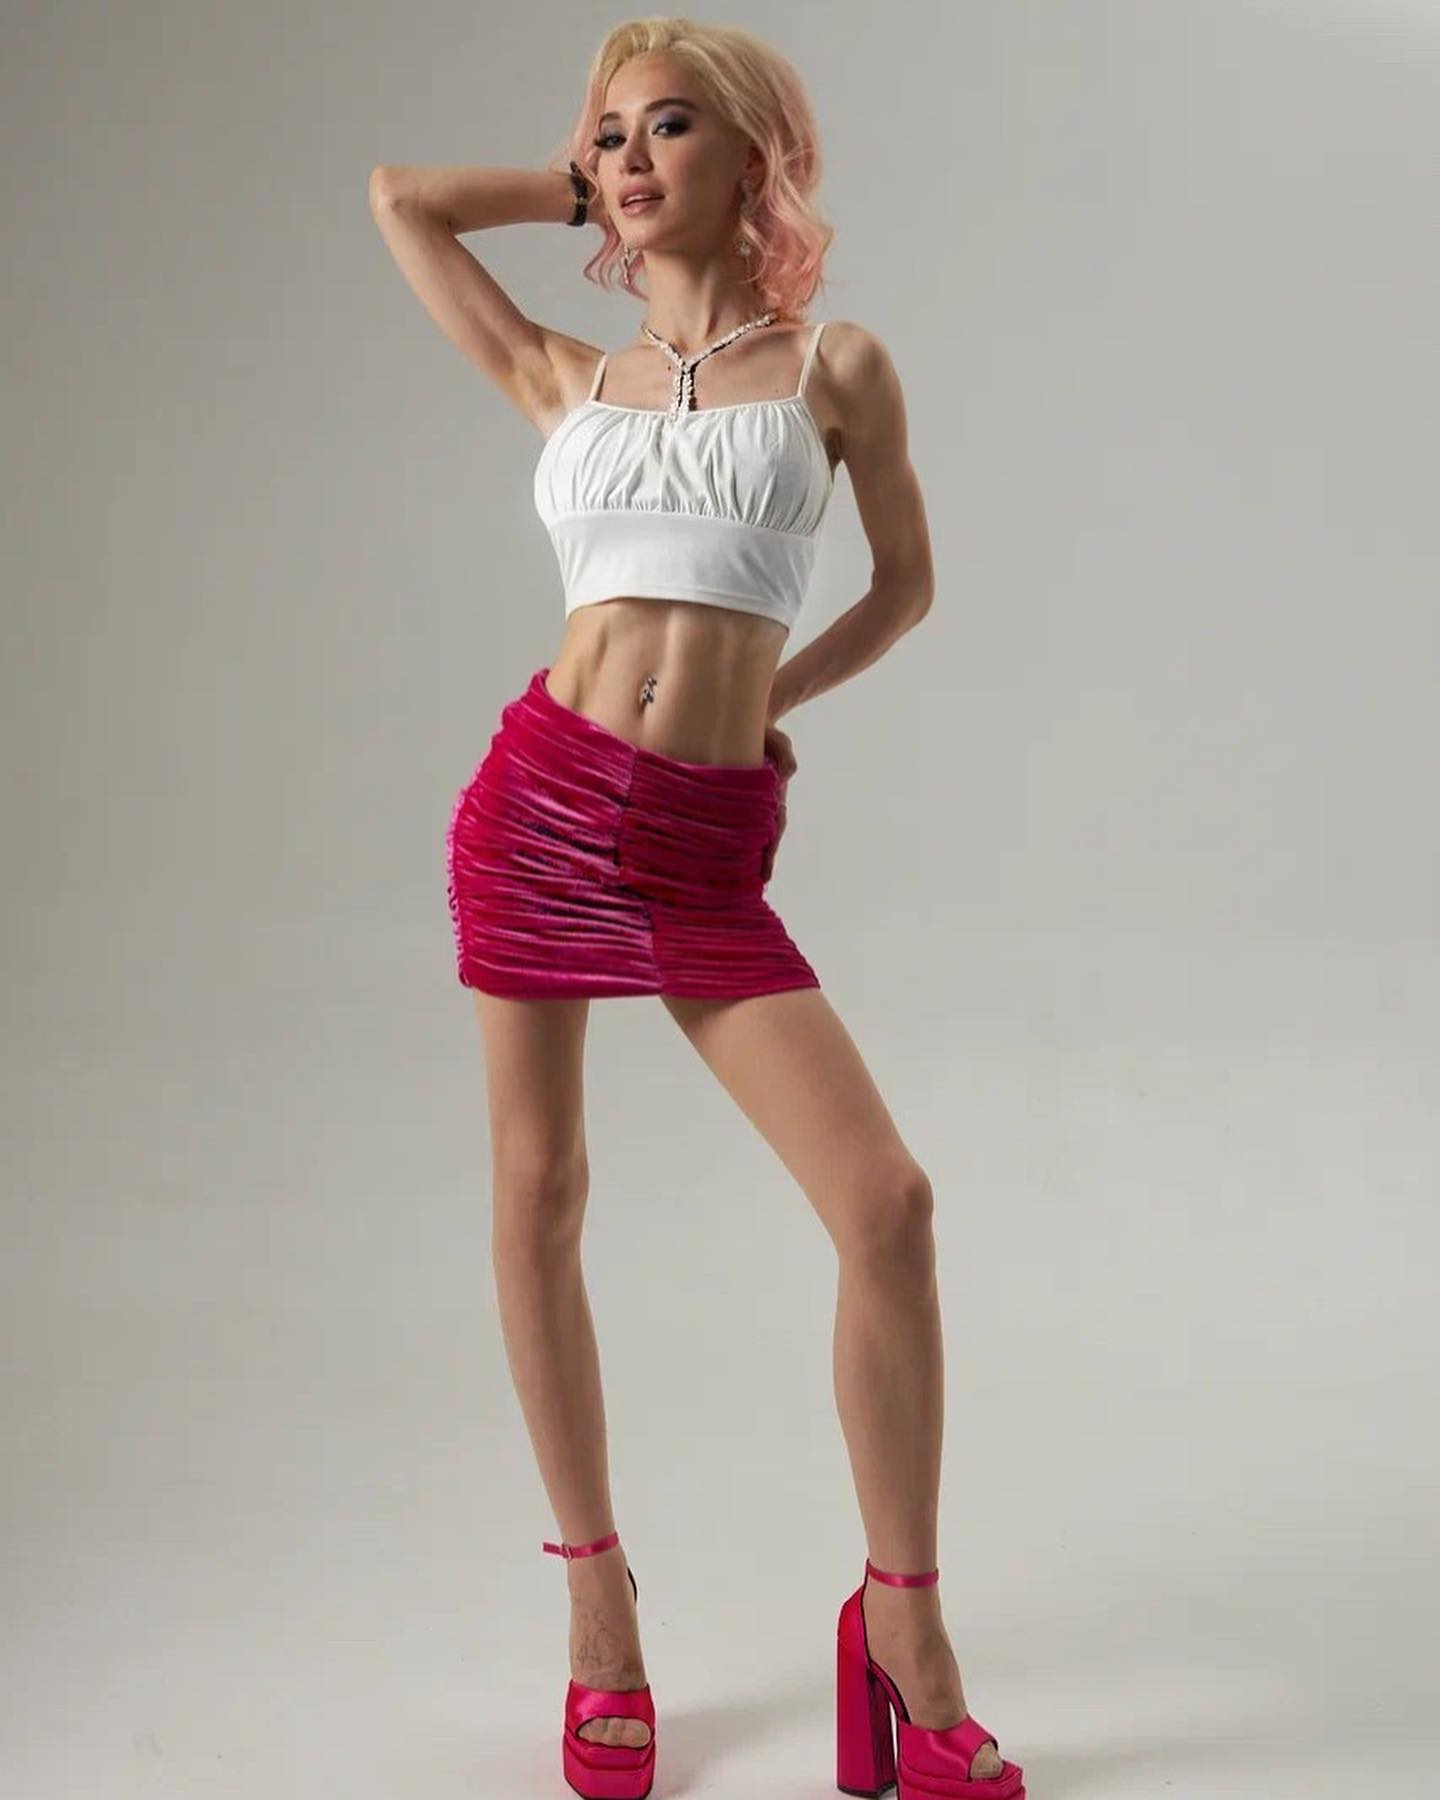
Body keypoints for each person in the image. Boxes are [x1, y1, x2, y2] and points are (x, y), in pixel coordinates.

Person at [370, 18, 1025, 1800]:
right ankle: (599, 1613)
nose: (632, 159)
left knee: (886, 1206)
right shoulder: (564, 374)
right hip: (537, 809)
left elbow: (904, 587)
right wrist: (568, 184)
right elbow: (403, 200)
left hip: (701, 845)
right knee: (539, 1195)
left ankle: (904, 1627)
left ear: (755, 156)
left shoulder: (835, 369)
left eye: (671, 128)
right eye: (611, 136)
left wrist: (765, 709)